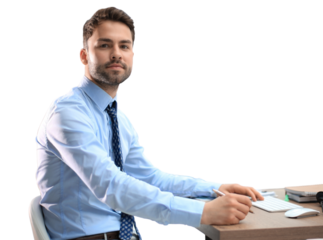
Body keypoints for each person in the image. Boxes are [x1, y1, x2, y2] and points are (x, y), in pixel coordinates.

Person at [33, 6, 264, 240]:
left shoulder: (119, 119)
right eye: (104, 45)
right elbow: (110, 186)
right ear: (83, 56)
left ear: (133, 56)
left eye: (124, 46)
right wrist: (202, 212)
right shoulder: (67, 113)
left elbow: (153, 179)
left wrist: (215, 189)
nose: (116, 54)